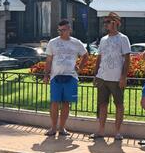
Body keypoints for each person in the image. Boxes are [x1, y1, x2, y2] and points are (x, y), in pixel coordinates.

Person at [43, 20, 88, 137]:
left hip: (71, 76)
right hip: (56, 77)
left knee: (66, 103)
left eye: (64, 30)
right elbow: (48, 60)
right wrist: (46, 75)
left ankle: (62, 128)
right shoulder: (53, 43)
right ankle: (53, 128)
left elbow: (85, 55)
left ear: (69, 30)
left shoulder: (76, 42)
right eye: (60, 30)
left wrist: (80, 68)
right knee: (54, 102)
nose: (61, 32)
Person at [92, 12, 131, 140]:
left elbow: (127, 58)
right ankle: (101, 130)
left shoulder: (123, 38)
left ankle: (117, 132)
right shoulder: (103, 39)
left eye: (108, 21)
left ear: (116, 23)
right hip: (102, 77)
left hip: (116, 78)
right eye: (105, 22)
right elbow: (99, 57)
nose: (106, 24)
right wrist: (96, 74)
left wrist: (123, 77)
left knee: (119, 104)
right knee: (102, 104)